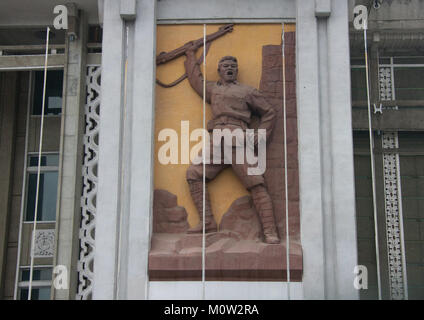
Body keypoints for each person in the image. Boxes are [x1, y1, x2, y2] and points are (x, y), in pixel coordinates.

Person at [184, 45, 279, 244]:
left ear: (236, 71)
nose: (229, 69)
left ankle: (270, 231)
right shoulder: (212, 89)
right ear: (219, 70)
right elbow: (195, 80)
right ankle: (207, 221)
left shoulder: (247, 91)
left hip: (239, 139)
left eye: (232, 67)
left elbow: (269, 112)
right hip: (217, 139)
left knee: (256, 182)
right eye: (225, 66)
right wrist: (190, 55)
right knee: (194, 173)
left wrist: (260, 134)